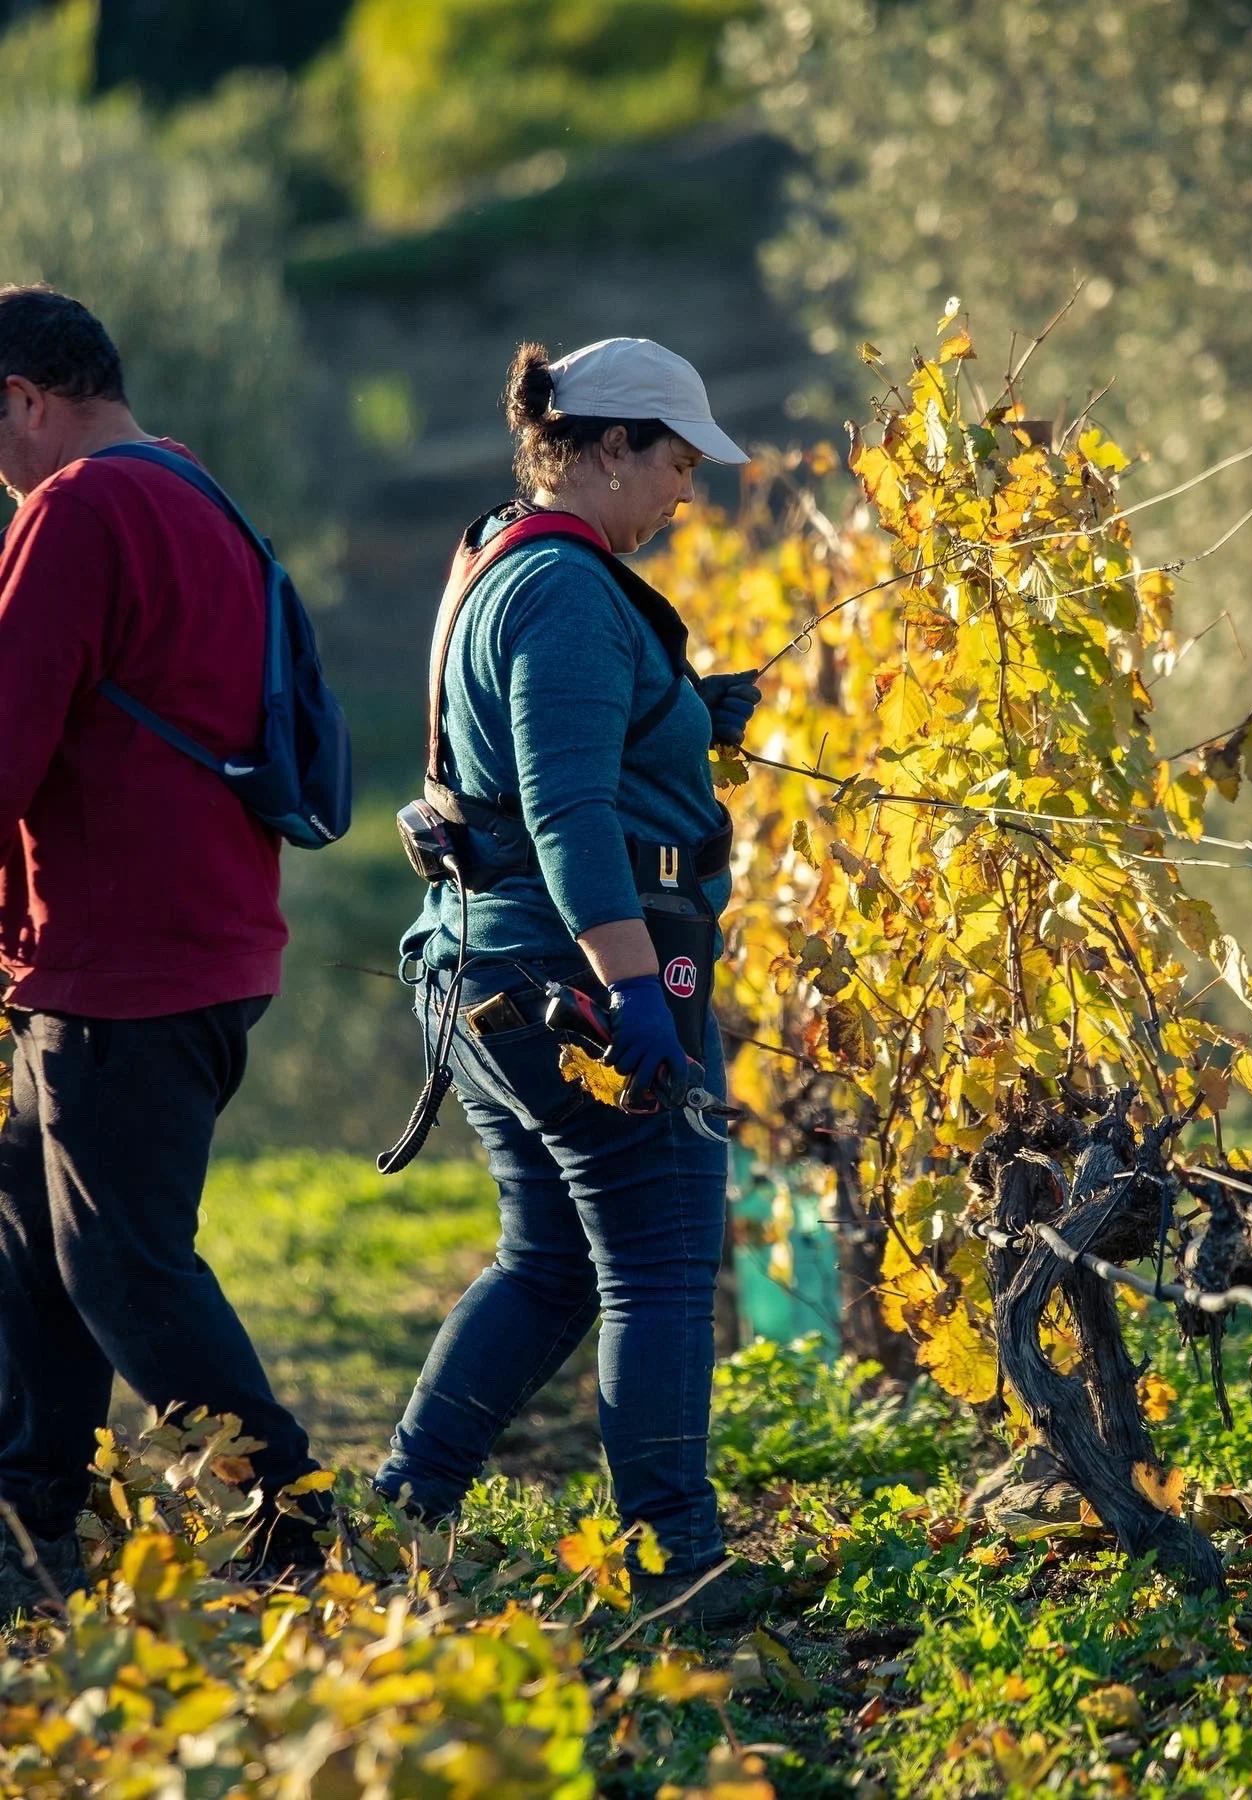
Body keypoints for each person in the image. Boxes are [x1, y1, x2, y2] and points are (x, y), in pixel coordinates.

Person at [376, 336, 765, 1627]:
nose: (684, 492)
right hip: (570, 979)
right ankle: (678, 1562)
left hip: (486, 969)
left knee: (546, 1262)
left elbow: (531, 751)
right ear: (602, 447)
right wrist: (638, 988)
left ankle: (407, 1503)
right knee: (659, 1263)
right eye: (671, 461)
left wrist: (679, 713)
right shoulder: (566, 593)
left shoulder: (503, 558)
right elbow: (564, 807)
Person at [0, 286, 329, 1617]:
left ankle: (293, 1518)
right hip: (188, 943)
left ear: (22, 397)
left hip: (122, 962)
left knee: (122, 1265)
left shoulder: (74, 511)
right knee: (32, 1239)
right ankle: (31, 1522)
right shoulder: (192, 488)